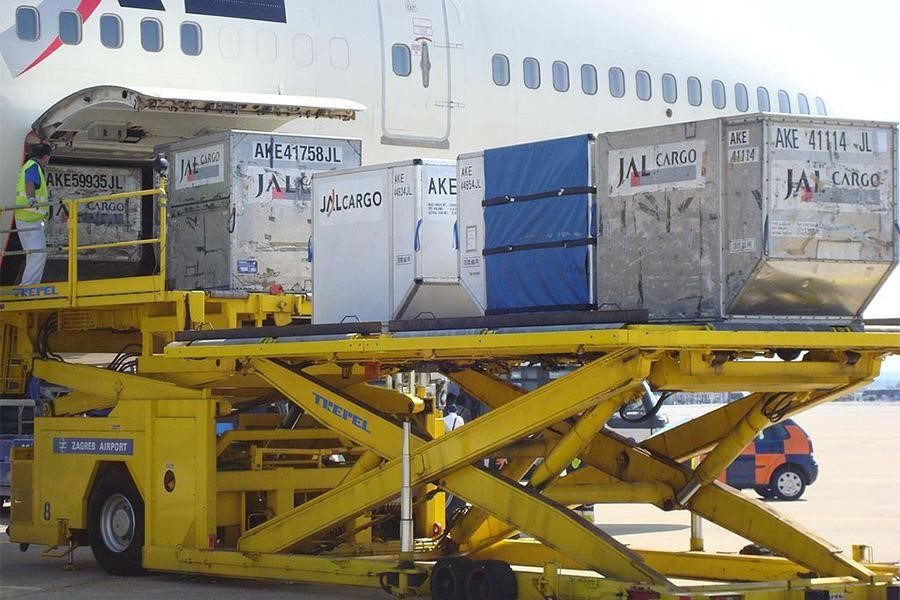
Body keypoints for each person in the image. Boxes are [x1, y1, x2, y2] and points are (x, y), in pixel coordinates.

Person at [8, 144, 52, 285]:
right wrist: (31, 199)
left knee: (35, 253)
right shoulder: (33, 166)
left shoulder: (29, 165)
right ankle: (27, 287)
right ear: (45, 156)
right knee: (38, 253)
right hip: (29, 220)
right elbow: (30, 183)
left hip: (28, 219)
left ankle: (28, 286)